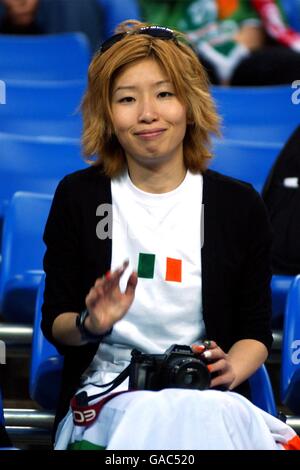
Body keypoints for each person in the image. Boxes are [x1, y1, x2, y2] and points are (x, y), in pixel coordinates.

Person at [41, 20, 300, 450]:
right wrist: (92, 323)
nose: (147, 113)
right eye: (126, 99)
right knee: (149, 416)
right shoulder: (78, 197)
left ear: (191, 103)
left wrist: (231, 369)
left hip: (207, 399)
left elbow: (254, 332)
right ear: (107, 113)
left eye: (165, 94)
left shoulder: (238, 205)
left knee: (213, 416)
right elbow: (57, 323)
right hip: (107, 397)